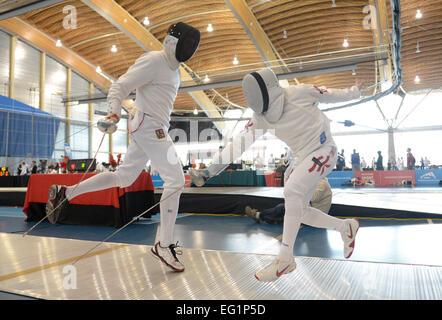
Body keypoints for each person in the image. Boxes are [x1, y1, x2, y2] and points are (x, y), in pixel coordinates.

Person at [46, 22, 201, 273]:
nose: (190, 48)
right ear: (173, 42)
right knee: (175, 179)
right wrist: (113, 113)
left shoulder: (175, 70)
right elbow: (121, 85)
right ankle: (164, 244)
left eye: (193, 45)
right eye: (187, 43)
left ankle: (68, 192)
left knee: (125, 177)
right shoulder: (154, 60)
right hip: (149, 125)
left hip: (150, 125)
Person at [190, 68, 360, 282]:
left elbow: (332, 94)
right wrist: (209, 171)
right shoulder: (260, 118)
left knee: (292, 191)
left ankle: (284, 258)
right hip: (300, 158)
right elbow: (237, 145)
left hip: (324, 150)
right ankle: (346, 227)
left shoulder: (300, 92)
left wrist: (354, 91)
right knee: (300, 211)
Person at [245, 178, 332, 224]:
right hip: (312, 211)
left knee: (283, 207)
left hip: (315, 216)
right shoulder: (318, 182)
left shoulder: (322, 184)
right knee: (285, 207)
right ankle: (262, 217)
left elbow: (312, 197)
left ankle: (258, 215)